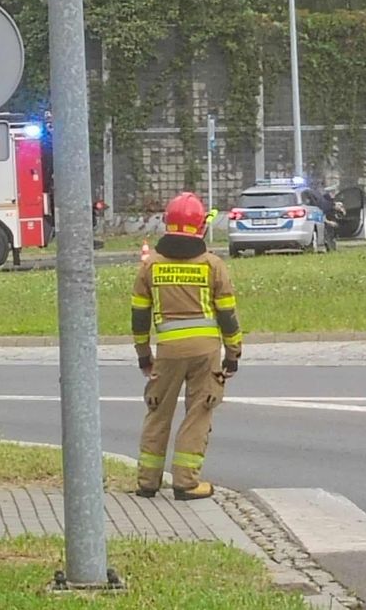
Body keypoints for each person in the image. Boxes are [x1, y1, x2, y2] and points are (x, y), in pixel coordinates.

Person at [131, 191, 242, 501]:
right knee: (198, 414)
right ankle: (186, 482)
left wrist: (144, 356)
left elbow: (139, 318)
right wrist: (233, 355)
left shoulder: (150, 266)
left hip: (166, 354)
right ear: (199, 227)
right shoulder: (213, 266)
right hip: (206, 354)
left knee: (157, 414)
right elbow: (227, 316)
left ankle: (148, 482)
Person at [320, 185, 345, 252]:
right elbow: (323, 214)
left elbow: (340, 212)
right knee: (328, 237)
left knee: (332, 238)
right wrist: (329, 222)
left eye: (334, 192)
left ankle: (333, 249)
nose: (334, 194)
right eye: (332, 192)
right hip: (328, 224)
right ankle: (330, 250)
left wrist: (341, 210)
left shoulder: (332, 202)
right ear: (329, 193)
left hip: (333, 223)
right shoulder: (325, 203)